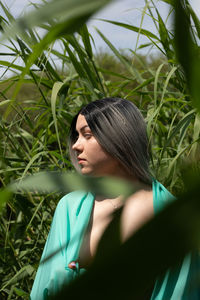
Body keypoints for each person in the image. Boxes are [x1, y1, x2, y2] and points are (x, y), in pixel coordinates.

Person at [30, 97, 196, 300]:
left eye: (87, 135)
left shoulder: (172, 216)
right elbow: (42, 291)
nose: (75, 146)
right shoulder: (70, 208)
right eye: (76, 136)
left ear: (118, 137)